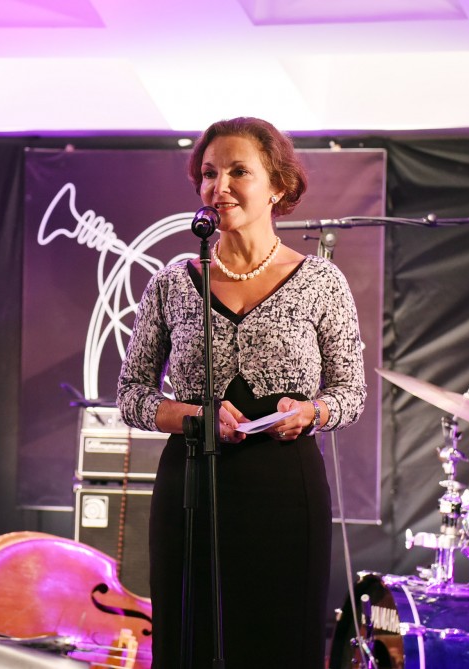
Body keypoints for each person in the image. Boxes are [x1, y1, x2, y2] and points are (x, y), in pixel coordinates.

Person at [117, 116, 366, 668]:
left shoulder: (322, 281)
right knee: (189, 642)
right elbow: (131, 395)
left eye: (238, 172)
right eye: (209, 174)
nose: (219, 186)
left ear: (278, 186)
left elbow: (351, 392)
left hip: (285, 493)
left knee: (279, 645)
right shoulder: (172, 282)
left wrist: (312, 411)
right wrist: (192, 417)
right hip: (192, 490)